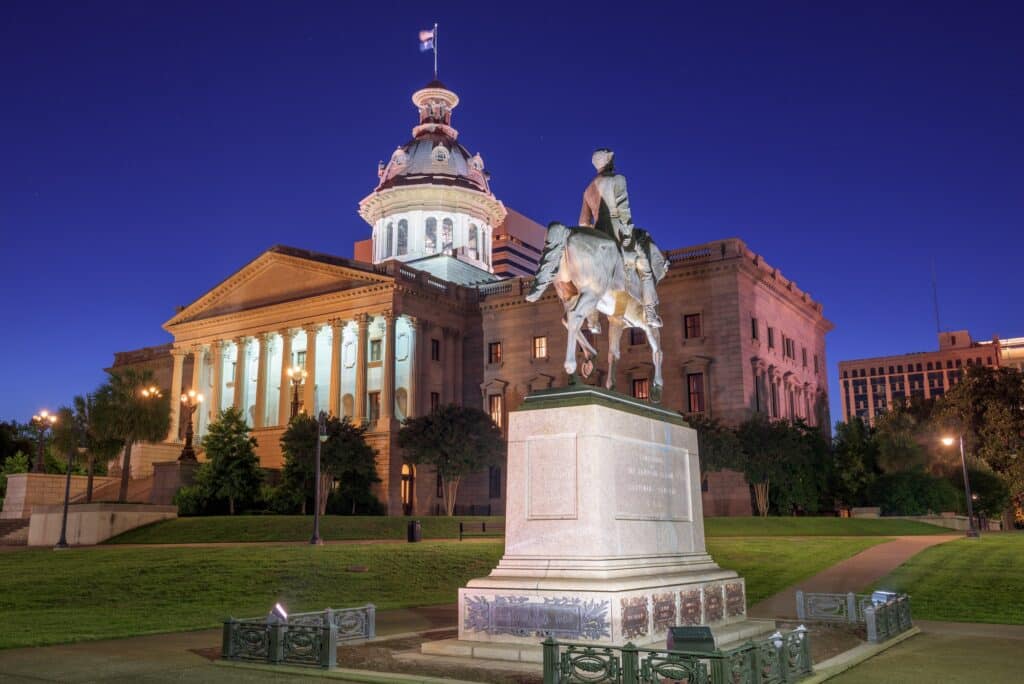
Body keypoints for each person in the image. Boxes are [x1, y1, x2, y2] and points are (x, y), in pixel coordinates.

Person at [577, 148, 664, 327]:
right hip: (618, 232)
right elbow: (624, 210)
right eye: (612, 159)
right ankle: (650, 312)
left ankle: (590, 315)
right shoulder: (617, 179)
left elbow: (584, 223)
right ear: (608, 162)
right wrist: (627, 237)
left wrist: (595, 238)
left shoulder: (587, 190)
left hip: (598, 234)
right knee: (645, 267)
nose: (613, 162)